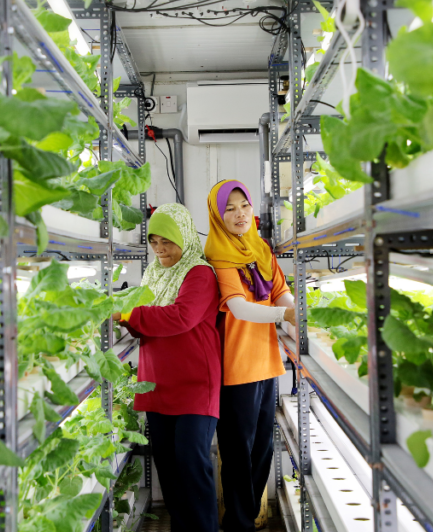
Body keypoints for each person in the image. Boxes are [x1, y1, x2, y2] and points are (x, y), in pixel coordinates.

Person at [113, 203, 222, 532]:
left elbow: (181, 317)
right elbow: (143, 324)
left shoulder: (200, 273)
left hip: (194, 384)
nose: (160, 250)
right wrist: (124, 319)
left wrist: (128, 314)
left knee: (191, 464)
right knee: (169, 469)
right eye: (155, 242)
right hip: (157, 384)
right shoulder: (151, 274)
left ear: (185, 238)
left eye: (168, 242)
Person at [204, 180, 297, 532]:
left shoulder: (261, 249)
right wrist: (283, 315)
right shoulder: (218, 256)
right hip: (235, 365)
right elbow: (240, 309)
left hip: (266, 361)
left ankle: (241, 520)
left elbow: (280, 291)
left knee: (263, 449)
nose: (239, 214)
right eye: (229, 208)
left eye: (243, 206)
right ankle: (239, 524)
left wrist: (294, 310)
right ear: (217, 215)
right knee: (237, 453)